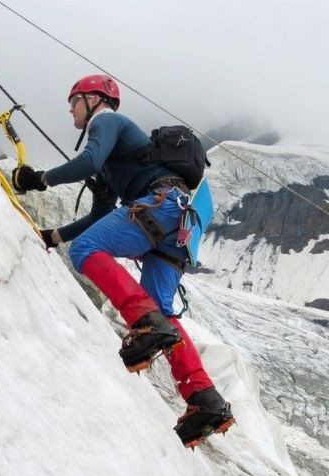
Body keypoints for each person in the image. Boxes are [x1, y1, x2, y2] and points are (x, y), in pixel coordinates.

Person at [12, 74, 234, 448]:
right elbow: (100, 214)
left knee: (86, 251)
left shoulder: (107, 121)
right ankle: (205, 400)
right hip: (177, 222)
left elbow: (87, 160)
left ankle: (146, 326)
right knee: (164, 312)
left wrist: (40, 179)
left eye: (74, 101)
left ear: (94, 99)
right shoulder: (112, 160)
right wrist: (53, 237)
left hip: (159, 207)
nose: (70, 110)